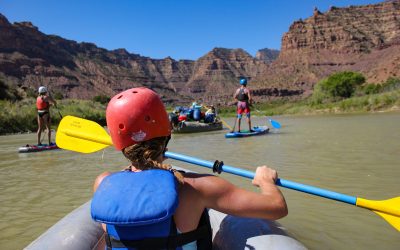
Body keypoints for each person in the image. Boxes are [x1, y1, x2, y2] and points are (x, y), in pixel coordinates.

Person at [91, 87, 287, 250]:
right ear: (168, 131)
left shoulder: (103, 183)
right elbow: (277, 207)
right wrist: (265, 181)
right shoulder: (196, 187)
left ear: (118, 142)